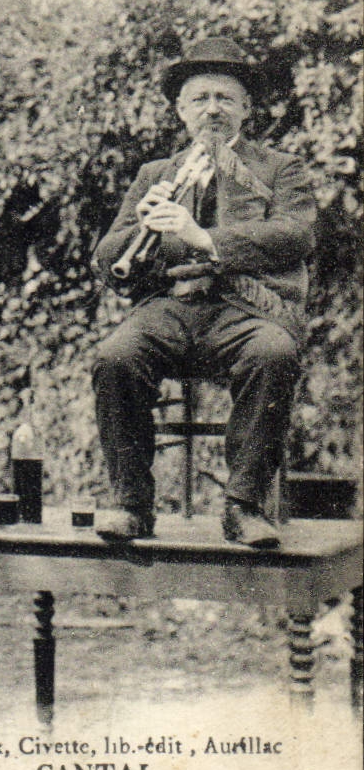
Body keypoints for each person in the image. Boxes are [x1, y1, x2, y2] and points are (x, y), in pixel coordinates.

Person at [91, 36, 317, 547]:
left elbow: (296, 235)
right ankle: (130, 505)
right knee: (114, 356)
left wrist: (204, 239)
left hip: (245, 309)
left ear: (246, 109)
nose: (212, 109)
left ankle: (244, 506)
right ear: (180, 111)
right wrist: (138, 231)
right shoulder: (156, 174)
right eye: (200, 99)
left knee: (275, 352)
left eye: (225, 98)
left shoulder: (281, 169)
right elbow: (109, 260)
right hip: (169, 309)